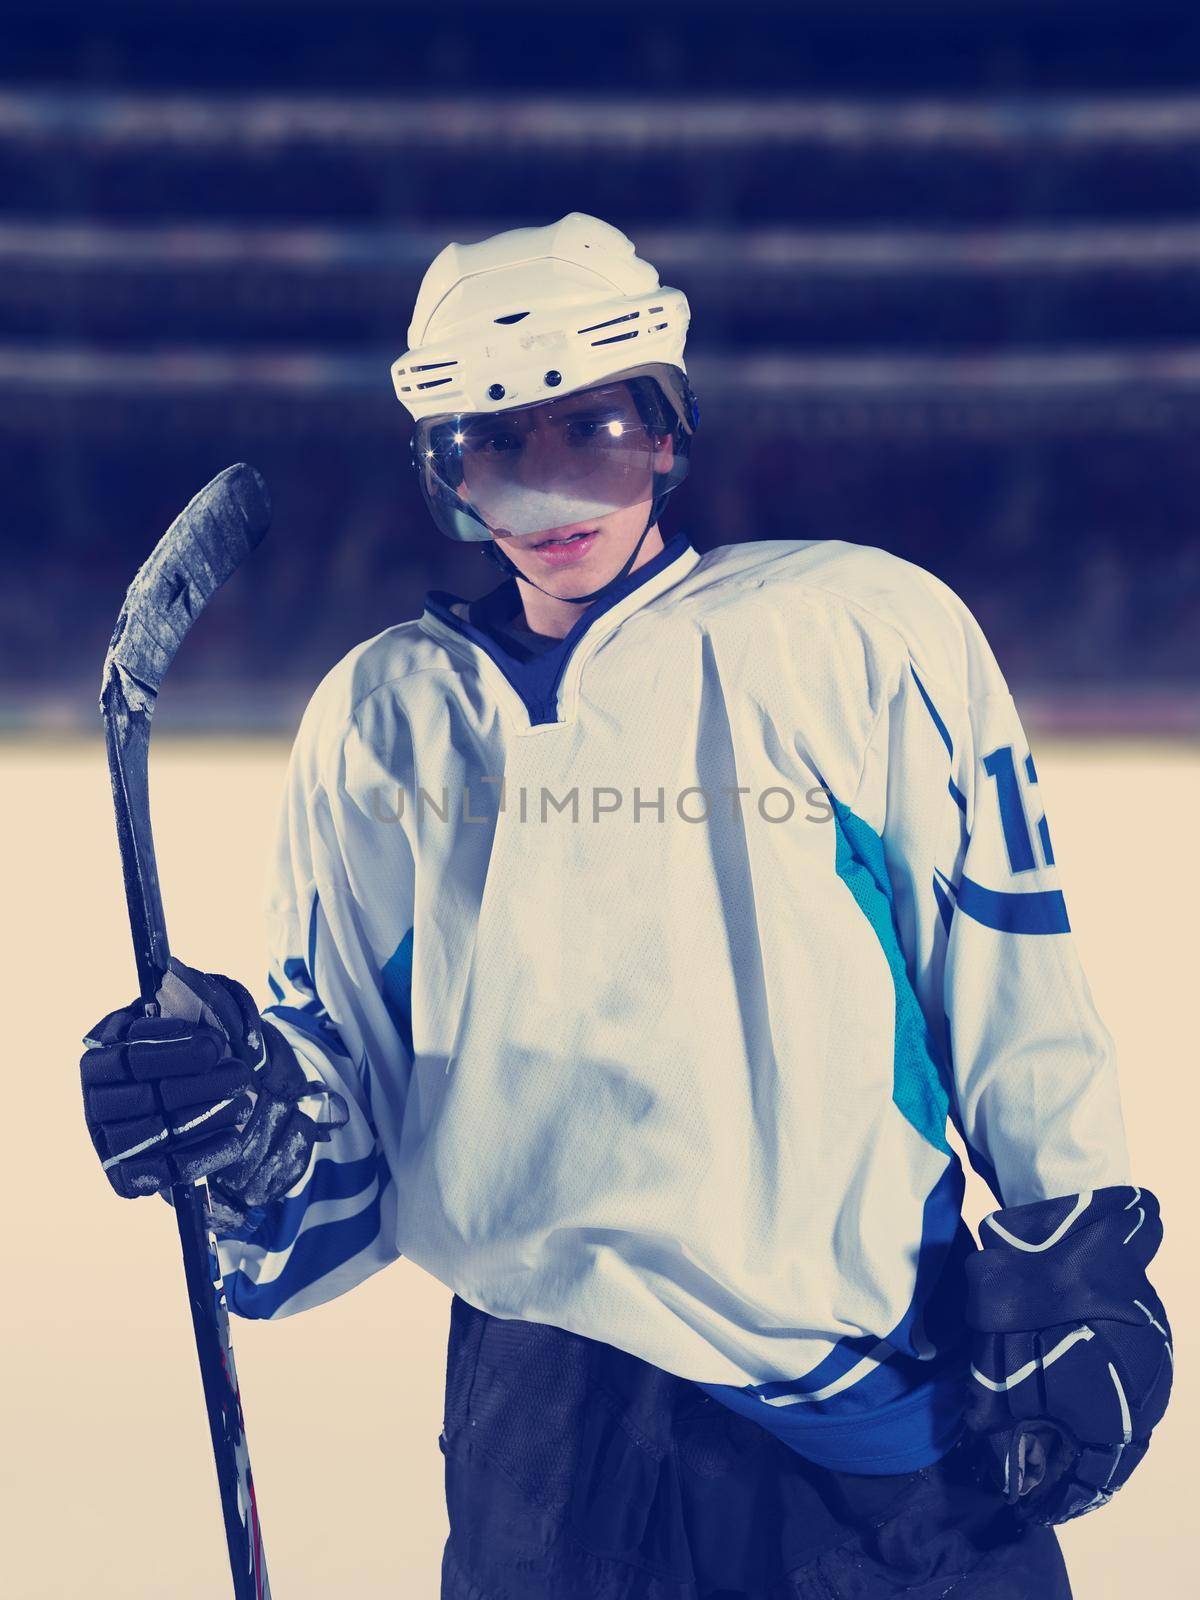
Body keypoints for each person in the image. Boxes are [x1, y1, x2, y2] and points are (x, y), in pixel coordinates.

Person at [80, 212, 1172, 1598]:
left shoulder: (855, 636)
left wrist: (1074, 1251)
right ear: (445, 475)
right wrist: (241, 1123)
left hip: (878, 1434)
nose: (551, 497)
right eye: (496, 451)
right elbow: (342, 1147)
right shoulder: (381, 724)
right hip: (542, 1452)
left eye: (591, 435)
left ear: (668, 431)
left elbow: (1010, 969)